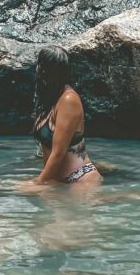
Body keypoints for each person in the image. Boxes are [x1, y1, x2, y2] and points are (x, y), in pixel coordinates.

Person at [27, 46, 102, 187]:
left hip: (79, 180)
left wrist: (38, 182)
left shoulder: (68, 100)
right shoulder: (49, 99)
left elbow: (59, 152)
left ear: (45, 70)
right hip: (58, 182)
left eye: (39, 65)